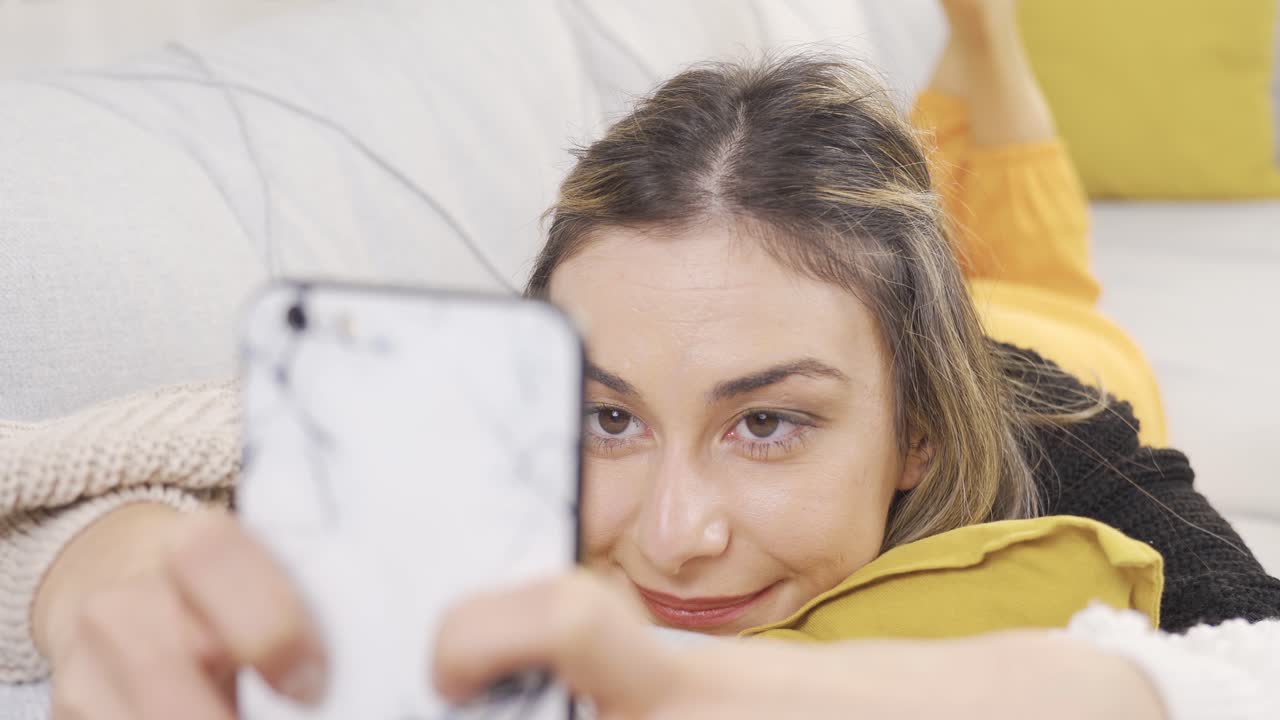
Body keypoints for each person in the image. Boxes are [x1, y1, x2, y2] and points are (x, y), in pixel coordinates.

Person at [2, 1, 1278, 718]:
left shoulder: (1054, 434)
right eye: (608, 419)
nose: (673, 539)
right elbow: (93, 466)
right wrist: (88, 565)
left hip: (1035, 334)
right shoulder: (502, 413)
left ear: (914, 436)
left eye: (767, 424)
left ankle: (984, 40)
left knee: (1036, 254)